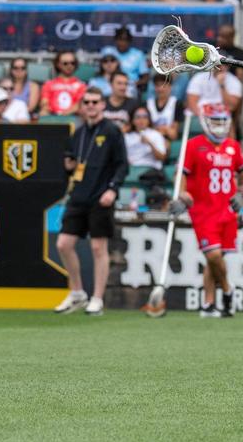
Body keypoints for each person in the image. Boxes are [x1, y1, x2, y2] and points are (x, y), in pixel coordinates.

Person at [54, 87, 128, 316]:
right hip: (79, 194)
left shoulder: (112, 131)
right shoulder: (78, 133)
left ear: (103, 105)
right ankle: (77, 292)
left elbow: (122, 164)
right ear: (82, 106)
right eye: (87, 102)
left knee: (98, 247)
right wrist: (68, 166)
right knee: (63, 245)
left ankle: (97, 297)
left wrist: (113, 189)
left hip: (101, 196)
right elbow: (70, 161)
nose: (91, 106)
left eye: (95, 102)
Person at [177, 103, 243, 317]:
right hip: (203, 210)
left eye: (222, 121)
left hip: (227, 210)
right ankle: (228, 290)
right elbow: (182, 174)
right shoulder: (194, 145)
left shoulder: (233, 146)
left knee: (215, 260)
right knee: (213, 255)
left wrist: (242, 193)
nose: (219, 126)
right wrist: (182, 194)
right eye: (215, 121)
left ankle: (208, 304)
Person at [41, 51, 87, 116]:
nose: (69, 66)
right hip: (52, 116)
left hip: (73, 118)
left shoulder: (81, 85)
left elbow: (78, 105)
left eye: (72, 63)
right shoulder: (49, 84)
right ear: (58, 64)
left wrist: (63, 115)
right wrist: (46, 109)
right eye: (65, 63)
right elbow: (45, 102)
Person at [146, 73, 181, 140]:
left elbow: (173, 135)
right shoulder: (147, 104)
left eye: (164, 85)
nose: (160, 89)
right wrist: (166, 129)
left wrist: (156, 129)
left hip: (167, 140)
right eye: (157, 85)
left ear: (170, 87)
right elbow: (144, 130)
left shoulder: (177, 104)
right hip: (149, 140)